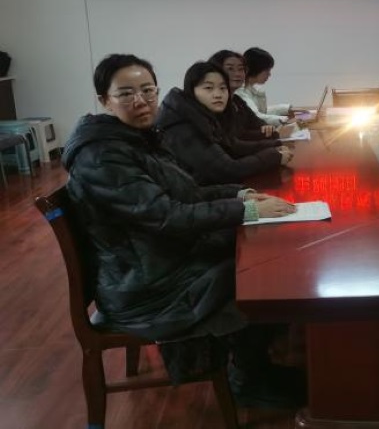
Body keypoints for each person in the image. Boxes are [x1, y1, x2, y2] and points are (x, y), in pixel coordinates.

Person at [61, 53, 303, 407]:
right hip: (149, 286)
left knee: (263, 257)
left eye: (148, 90)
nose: (141, 100)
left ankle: (257, 363)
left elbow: (185, 191)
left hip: (159, 259)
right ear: (104, 101)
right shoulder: (102, 156)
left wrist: (239, 194)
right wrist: (245, 210)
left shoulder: (136, 138)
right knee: (260, 274)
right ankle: (248, 380)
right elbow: (167, 216)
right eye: (126, 93)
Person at [157, 61, 292, 185]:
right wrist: (273, 156)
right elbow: (228, 171)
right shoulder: (183, 125)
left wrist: (275, 146)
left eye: (222, 88)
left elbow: (231, 145)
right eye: (208, 88)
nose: (218, 94)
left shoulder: (205, 115)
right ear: (191, 90)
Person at [209, 49, 278, 141]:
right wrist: (275, 136)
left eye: (241, 69)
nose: (237, 74)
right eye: (230, 69)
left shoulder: (237, 101)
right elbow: (234, 141)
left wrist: (269, 131)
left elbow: (257, 122)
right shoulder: (215, 105)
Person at [237, 47, 292, 127]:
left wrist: (287, 109)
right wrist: (286, 120)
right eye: (267, 70)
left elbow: (262, 112)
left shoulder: (250, 88)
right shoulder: (239, 91)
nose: (269, 74)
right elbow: (256, 117)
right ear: (256, 69)